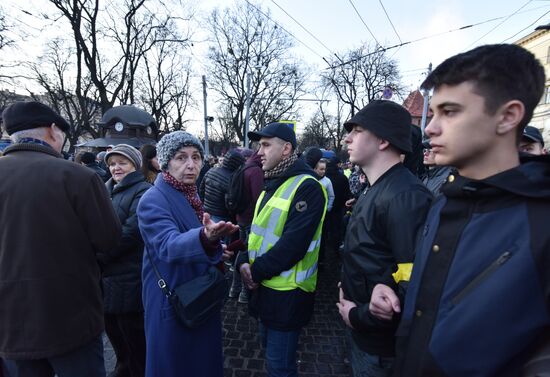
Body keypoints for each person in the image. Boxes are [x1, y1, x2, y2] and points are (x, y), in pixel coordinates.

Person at [369, 44, 550, 376]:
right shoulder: (446, 200)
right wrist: (393, 292)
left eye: (449, 112)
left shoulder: (541, 221)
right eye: (432, 112)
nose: (430, 128)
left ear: (507, 116)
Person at [0, 101, 121, 377]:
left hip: (9, 323)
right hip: (71, 318)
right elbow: (109, 239)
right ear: (53, 130)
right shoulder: (78, 177)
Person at [337, 100, 433, 377]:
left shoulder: (406, 196)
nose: (347, 138)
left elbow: (413, 283)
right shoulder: (376, 188)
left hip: (380, 345)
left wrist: (358, 316)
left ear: (382, 140)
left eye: (357, 130)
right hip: (365, 334)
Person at [137, 131, 238, 377]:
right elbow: (168, 244)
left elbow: (193, 240)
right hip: (171, 298)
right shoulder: (153, 199)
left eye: (196, 157)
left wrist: (215, 249)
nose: (191, 165)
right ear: (164, 163)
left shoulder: (188, 193)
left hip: (195, 295)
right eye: (181, 158)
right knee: (174, 366)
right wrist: (206, 238)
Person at [238, 122, 327, 377]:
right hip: (267, 290)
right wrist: (243, 259)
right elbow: (257, 233)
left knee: (280, 368)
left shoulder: (307, 186)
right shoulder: (274, 181)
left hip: (288, 295)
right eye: (258, 145)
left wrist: (253, 272)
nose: (259, 152)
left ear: (286, 148)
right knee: (271, 357)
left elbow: (293, 246)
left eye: (266, 145)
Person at [100, 144, 151, 377]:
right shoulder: (104, 189)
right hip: (105, 278)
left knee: (134, 341)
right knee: (116, 337)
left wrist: (97, 256)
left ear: (135, 165)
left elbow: (130, 233)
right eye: (112, 163)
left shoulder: (143, 191)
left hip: (130, 277)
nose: (115, 168)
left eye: (122, 163)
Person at [229, 150, 264, 304]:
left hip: (240, 217)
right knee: (248, 255)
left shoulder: (244, 167)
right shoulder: (256, 171)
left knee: (241, 252)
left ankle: (234, 288)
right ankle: (243, 292)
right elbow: (259, 199)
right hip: (250, 219)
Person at [199, 149, 245, 223]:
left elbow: (201, 189)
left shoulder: (211, 170)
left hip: (206, 211)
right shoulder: (231, 179)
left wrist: (204, 204)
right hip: (221, 215)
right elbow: (230, 203)